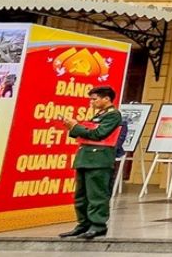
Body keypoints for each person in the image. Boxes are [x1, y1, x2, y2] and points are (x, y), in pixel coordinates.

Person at [58, 85, 123, 240]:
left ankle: (98, 225)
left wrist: (76, 126)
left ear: (106, 99)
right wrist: (72, 127)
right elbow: (85, 134)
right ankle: (83, 224)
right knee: (81, 195)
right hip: (85, 158)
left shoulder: (113, 115)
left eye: (94, 99)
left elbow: (98, 134)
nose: (91, 102)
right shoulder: (98, 115)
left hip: (99, 160)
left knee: (97, 195)